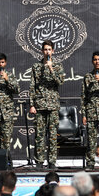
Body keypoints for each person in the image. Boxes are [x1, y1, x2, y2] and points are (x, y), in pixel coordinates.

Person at [29, 40, 65, 170]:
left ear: (53, 51)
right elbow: (32, 86)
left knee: (52, 135)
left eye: (49, 49)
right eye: (45, 49)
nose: (47, 52)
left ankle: (52, 161)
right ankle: (39, 161)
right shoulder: (36, 66)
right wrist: (32, 104)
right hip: (39, 104)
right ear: (42, 51)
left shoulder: (58, 66)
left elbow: (60, 82)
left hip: (53, 105)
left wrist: (51, 68)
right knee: (39, 134)